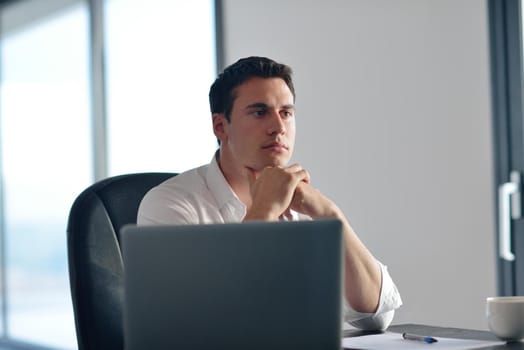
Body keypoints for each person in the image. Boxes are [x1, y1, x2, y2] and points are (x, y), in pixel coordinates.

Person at [137, 56, 402, 330]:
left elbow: (376, 315)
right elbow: (197, 321)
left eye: (286, 112)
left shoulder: (303, 207)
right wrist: (264, 211)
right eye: (259, 112)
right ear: (220, 126)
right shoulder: (168, 205)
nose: (278, 127)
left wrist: (330, 214)